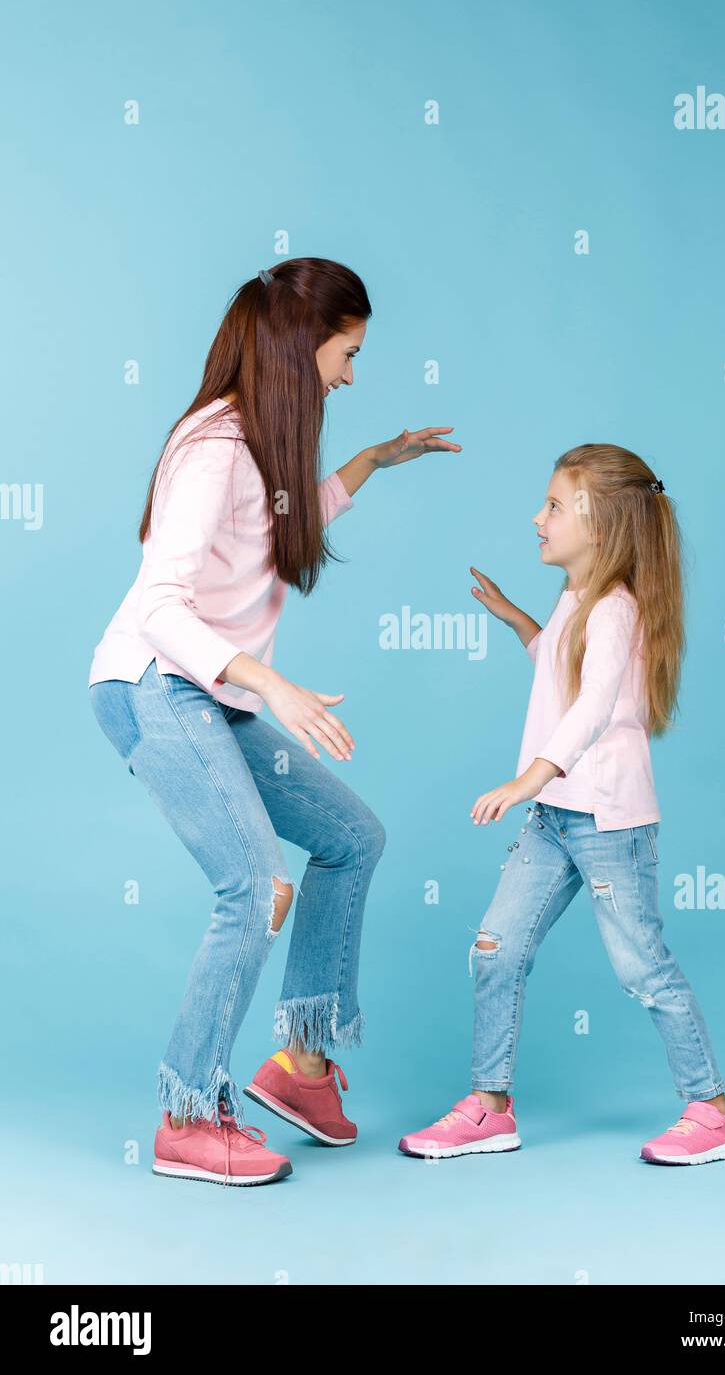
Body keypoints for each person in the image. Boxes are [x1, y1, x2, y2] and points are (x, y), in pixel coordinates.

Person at [89, 257, 461, 1185]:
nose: (349, 374)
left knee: (350, 838)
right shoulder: (213, 446)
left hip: (206, 692)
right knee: (253, 885)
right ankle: (187, 1116)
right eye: (347, 353)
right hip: (153, 684)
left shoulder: (261, 448)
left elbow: (276, 527)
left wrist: (374, 462)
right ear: (304, 347)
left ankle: (299, 1067)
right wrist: (273, 683)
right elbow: (161, 605)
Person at [398, 444, 725, 1166]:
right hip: (556, 815)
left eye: (554, 505)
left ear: (602, 524)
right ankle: (490, 1107)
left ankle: (714, 1111)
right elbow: (562, 672)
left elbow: (594, 707)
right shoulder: (574, 601)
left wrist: (528, 777)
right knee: (495, 949)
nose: (538, 517)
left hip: (607, 820)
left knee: (641, 967)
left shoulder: (616, 609)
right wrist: (516, 621)